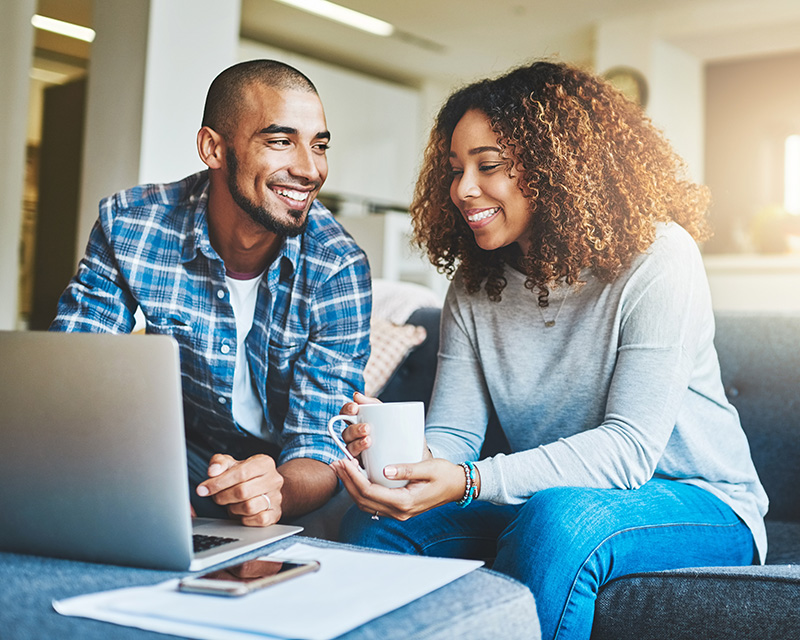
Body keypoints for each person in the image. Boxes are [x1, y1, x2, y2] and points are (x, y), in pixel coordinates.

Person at [331, 60, 768, 640]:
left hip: (702, 502)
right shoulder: (473, 282)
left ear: (556, 169)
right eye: (455, 169)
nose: (463, 189)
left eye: (488, 166)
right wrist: (401, 461)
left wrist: (468, 481)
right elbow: (455, 437)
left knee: (560, 519)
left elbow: (627, 452)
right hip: (552, 498)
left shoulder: (659, 258)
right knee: (375, 528)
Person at [51, 60, 372, 527]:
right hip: (181, 451)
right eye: (281, 141)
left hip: (289, 469)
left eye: (319, 145)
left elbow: (319, 446)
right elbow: (73, 373)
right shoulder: (132, 225)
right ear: (213, 148)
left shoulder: (336, 265)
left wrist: (272, 489)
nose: (309, 169)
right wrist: (134, 474)